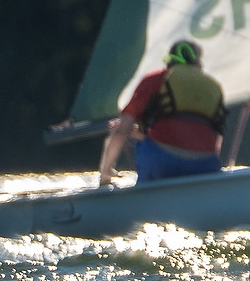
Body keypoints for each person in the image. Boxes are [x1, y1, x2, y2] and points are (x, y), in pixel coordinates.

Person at [97, 39, 227, 187]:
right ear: (198, 62)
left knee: (136, 140)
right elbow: (213, 137)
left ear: (169, 60)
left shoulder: (156, 79)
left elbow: (122, 131)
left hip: (162, 162)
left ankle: (145, 193)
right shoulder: (214, 87)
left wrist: (105, 175)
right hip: (205, 164)